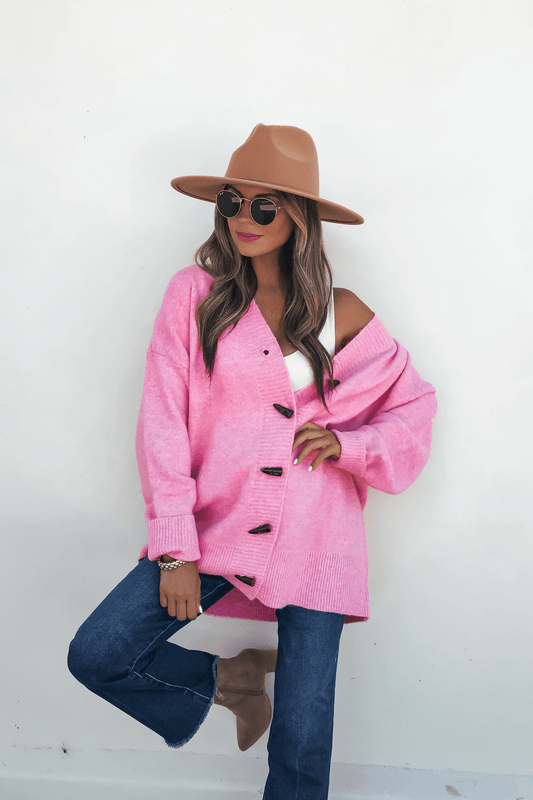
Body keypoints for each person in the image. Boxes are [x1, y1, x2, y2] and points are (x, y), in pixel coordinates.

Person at [67, 124, 437, 799]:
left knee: (300, 741)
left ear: (298, 219)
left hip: (319, 542)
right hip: (213, 528)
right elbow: (162, 422)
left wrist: (347, 445)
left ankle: (251, 691)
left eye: (264, 206)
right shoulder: (195, 295)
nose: (243, 217)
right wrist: (175, 551)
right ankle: (228, 680)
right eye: (233, 201)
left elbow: (412, 410)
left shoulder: (341, 311)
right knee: (99, 654)